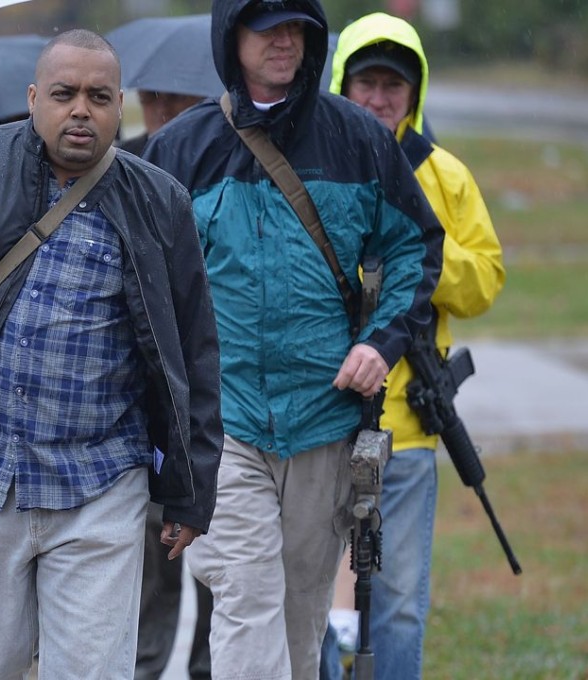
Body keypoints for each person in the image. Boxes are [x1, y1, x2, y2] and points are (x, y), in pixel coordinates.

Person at [0, 29, 223, 679]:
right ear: (34, 99)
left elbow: (194, 352)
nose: (81, 110)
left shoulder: (161, 202)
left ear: (121, 107)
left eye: (99, 97)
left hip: (102, 482)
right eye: (64, 94)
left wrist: (191, 490)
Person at [141, 0, 445, 677]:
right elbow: (143, 281)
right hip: (223, 425)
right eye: (266, 26)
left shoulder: (358, 139)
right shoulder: (180, 148)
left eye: (296, 28)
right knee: (247, 596)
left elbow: (416, 245)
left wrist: (382, 342)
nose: (283, 41)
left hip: (324, 422)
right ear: (231, 34)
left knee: (302, 619)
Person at [319, 13, 506, 679]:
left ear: (415, 92)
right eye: (365, 82)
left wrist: (420, 254)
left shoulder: (445, 176)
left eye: (393, 85)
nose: (378, 98)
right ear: (341, 84)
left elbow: (485, 279)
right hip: (319, 419)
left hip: (409, 430)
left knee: (398, 602)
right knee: (309, 596)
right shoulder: (313, 164)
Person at [119, 87, 214, 680]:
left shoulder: (222, 159)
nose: (163, 111)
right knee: (153, 562)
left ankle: (209, 668)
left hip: (209, 385)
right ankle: (143, 669)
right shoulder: (119, 164)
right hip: (147, 395)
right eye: (152, 98)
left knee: (218, 566)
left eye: (177, 100)